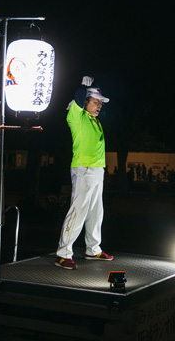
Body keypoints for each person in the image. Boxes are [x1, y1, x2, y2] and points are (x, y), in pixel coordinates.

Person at [55, 76, 114, 269]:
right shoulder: (76, 117)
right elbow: (78, 98)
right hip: (83, 169)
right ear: (85, 102)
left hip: (97, 170)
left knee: (96, 212)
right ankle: (63, 254)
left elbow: (84, 100)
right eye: (95, 102)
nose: (99, 106)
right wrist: (82, 88)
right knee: (78, 211)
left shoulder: (94, 121)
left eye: (100, 103)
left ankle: (93, 249)